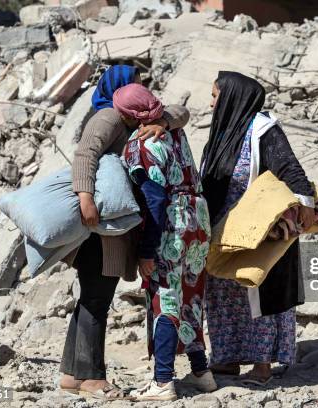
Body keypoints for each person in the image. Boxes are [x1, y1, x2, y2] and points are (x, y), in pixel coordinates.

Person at [58, 68, 190, 400]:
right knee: (97, 297)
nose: (138, 87)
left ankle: (72, 374)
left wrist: (163, 123)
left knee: (92, 295)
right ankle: (92, 378)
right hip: (101, 226)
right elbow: (85, 153)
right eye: (131, 82)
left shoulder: (133, 115)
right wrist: (85, 195)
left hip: (111, 225)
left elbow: (178, 112)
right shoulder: (108, 117)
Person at [202, 71, 316, 385]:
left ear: (232, 98)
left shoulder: (264, 131)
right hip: (224, 233)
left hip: (260, 232)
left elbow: (289, 168)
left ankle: (263, 365)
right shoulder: (223, 132)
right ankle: (227, 359)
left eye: (215, 96)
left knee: (259, 295)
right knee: (223, 294)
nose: (211, 104)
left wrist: (306, 205)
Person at [111, 83, 216, 402]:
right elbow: (180, 114)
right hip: (198, 220)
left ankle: (163, 381)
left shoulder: (138, 145)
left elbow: (154, 199)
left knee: (165, 299)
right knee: (192, 295)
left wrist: (145, 251)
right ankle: (202, 372)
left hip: (170, 225)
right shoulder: (173, 130)